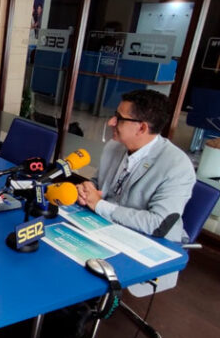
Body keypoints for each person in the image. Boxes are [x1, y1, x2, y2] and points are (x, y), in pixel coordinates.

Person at [76, 89, 196, 242]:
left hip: (148, 240)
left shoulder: (177, 166)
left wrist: (99, 205)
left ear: (142, 128)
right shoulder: (114, 146)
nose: (111, 122)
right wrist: (87, 189)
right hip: (103, 226)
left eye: (119, 118)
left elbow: (158, 223)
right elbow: (98, 183)